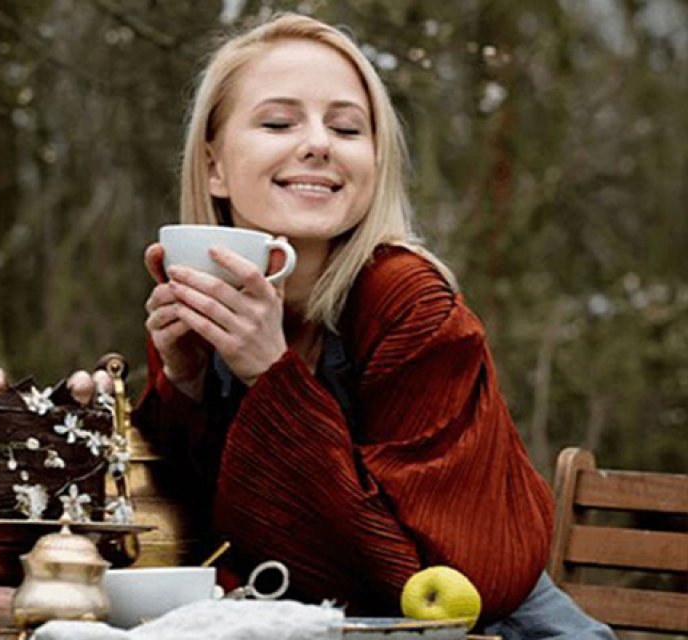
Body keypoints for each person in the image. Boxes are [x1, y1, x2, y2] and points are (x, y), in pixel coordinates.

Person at [131, 13, 614, 639]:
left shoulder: (411, 306)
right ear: (215, 165)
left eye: (347, 127)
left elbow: (415, 582)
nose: (318, 144)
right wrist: (184, 389)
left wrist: (270, 376)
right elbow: (182, 548)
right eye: (279, 122)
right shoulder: (212, 303)